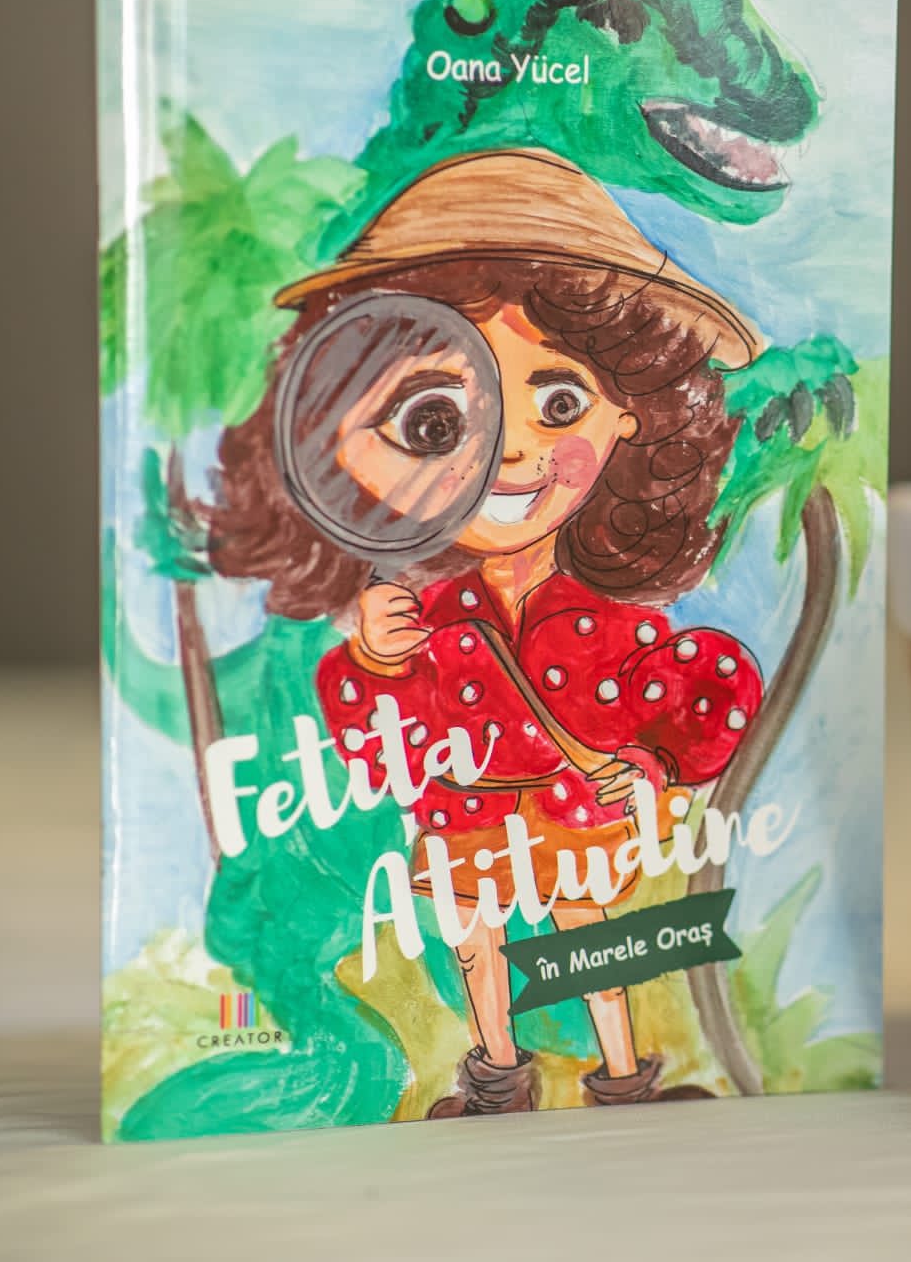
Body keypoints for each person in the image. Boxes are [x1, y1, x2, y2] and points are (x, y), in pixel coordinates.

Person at [206, 148, 764, 1115]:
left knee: (588, 930)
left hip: (570, 810)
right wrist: (378, 657)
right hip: (465, 814)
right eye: (435, 418)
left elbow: (698, 684)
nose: (509, 450)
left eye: (559, 402)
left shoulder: (602, 616)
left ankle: (622, 1073)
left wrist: (654, 765)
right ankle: (497, 1073)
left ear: (632, 417)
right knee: (477, 938)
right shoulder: (430, 615)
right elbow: (376, 734)